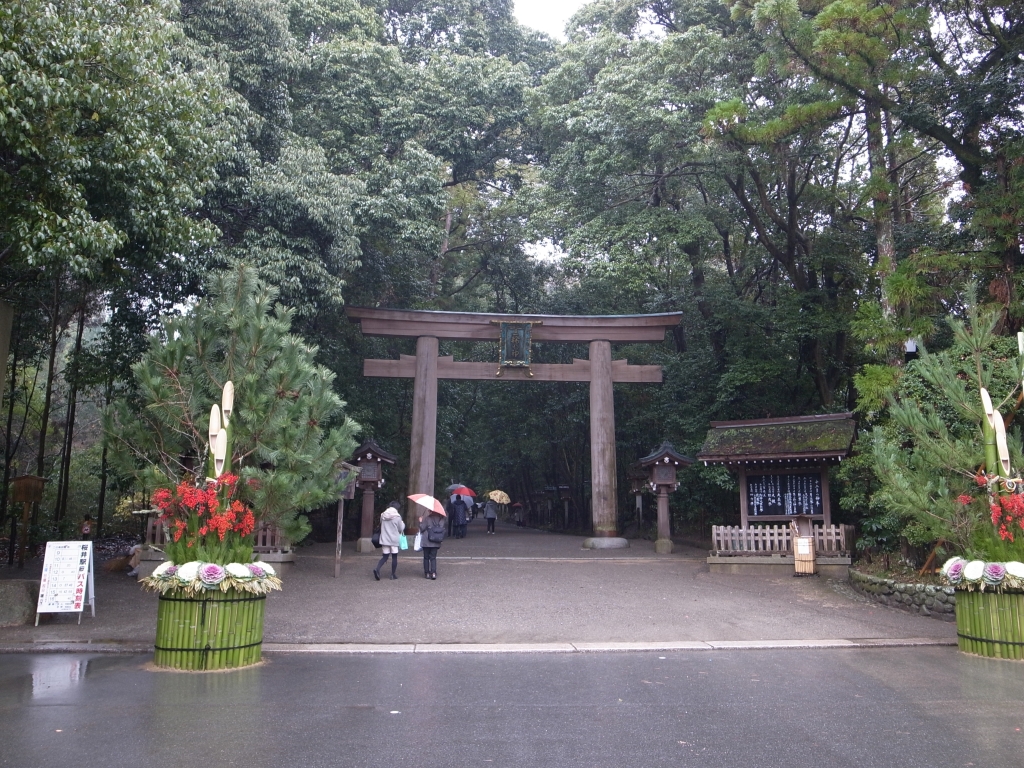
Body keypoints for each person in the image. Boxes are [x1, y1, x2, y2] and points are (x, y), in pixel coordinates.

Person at [374, 501, 405, 581]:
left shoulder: (383, 515)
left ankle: (377, 569)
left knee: (385, 557)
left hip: (384, 539)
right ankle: (392, 574)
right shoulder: (397, 517)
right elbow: (400, 529)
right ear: (397, 508)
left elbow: (381, 524)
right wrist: (402, 523)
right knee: (394, 557)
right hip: (394, 540)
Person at [419, 508, 446, 579]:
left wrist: (421, 522)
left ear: (431, 511)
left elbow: (422, 528)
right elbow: (442, 528)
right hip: (436, 540)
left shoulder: (427, 518)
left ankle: (427, 573)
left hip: (426, 541)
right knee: (433, 558)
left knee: (426, 557)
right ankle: (433, 573)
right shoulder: (441, 519)